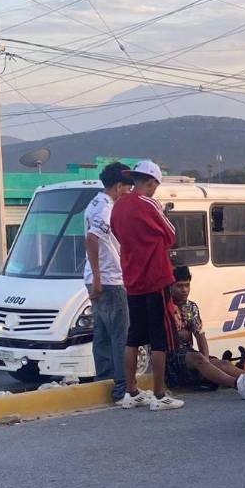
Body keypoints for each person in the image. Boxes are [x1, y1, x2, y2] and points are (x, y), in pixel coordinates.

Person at [109, 159, 184, 411]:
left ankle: (131, 391)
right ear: (151, 182)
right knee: (159, 338)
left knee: (134, 337)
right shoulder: (149, 203)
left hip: (132, 278)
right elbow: (171, 234)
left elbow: (117, 234)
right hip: (155, 277)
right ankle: (160, 395)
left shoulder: (118, 206)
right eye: (155, 185)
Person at [167, 265, 245, 399]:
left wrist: (207, 362)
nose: (184, 290)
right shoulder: (164, 307)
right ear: (170, 286)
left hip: (189, 356)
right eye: (179, 286)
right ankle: (239, 384)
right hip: (170, 358)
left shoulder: (191, 307)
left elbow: (200, 336)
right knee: (198, 358)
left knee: (223, 364)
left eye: (187, 285)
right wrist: (179, 335)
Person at [84, 162, 131, 403]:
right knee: (120, 334)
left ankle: (103, 381)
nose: (129, 192)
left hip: (96, 278)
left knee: (102, 333)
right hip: (110, 279)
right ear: (118, 186)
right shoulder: (106, 208)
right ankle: (122, 388)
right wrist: (99, 278)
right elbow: (92, 239)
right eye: (127, 187)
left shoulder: (94, 202)